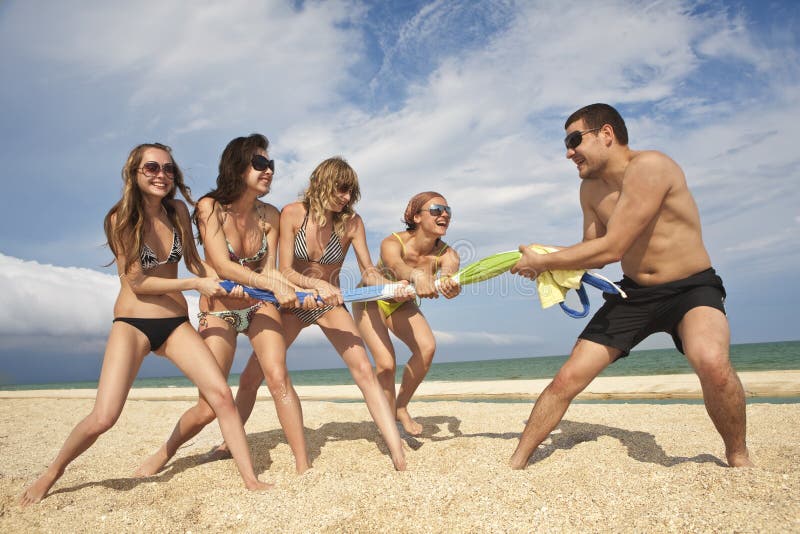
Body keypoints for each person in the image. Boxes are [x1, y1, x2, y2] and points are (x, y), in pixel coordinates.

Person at [19, 143, 270, 507]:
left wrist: (227, 285)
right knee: (104, 417)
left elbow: (195, 263)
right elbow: (136, 282)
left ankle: (250, 480)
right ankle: (53, 471)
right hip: (133, 323)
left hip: (174, 323)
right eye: (151, 168)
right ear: (134, 173)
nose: (161, 175)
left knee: (220, 397)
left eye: (168, 169)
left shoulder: (178, 211)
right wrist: (194, 284)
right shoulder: (119, 218)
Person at [508, 103, 753, 469]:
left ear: (606, 134)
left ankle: (738, 456)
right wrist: (540, 256)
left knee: (713, 363)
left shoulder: (651, 167)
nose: (568, 151)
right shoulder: (590, 190)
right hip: (634, 292)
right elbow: (593, 255)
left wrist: (543, 261)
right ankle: (516, 462)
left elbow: (614, 246)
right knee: (567, 378)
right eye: (566, 143)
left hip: (691, 289)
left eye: (575, 140)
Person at [134, 134, 317, 478]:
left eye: (271, 165)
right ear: (237, 166)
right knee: (207, 406)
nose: (269, 171)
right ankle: (166, 451)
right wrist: (271, 285)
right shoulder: (209, 207)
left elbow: (271, 270)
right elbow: (222, 265)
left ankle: (303, 466)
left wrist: (288, 288)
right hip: (219, 309)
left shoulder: (272, 214)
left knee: (278, 377)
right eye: (260, 164)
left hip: (258, 305)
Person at [215, 156, 408, 470]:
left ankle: (397, 452)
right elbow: (284, 271)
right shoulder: (293, 214)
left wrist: (390, 285)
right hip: (293, 304)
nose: (346, 198)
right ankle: (227, 443)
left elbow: (369, 271)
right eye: (342, 190)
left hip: (330, 305)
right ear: (323, 182)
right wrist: (314, 285)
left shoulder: (352, 222)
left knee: (364, 371)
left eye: (351, 193)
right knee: (252, 377)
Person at [353, 192, 460, 435]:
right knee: (386, 364)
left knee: (427, 348)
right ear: (416, 217)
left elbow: (450, 276)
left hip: (401, 303)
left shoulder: (448, 254)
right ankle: (387, 425)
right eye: (436, 210)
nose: (444, 214)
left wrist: (449, 286)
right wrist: (417, 276)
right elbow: (397, 266)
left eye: (447, 211)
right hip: (372, 298)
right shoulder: (392, 242)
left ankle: (400, 406)